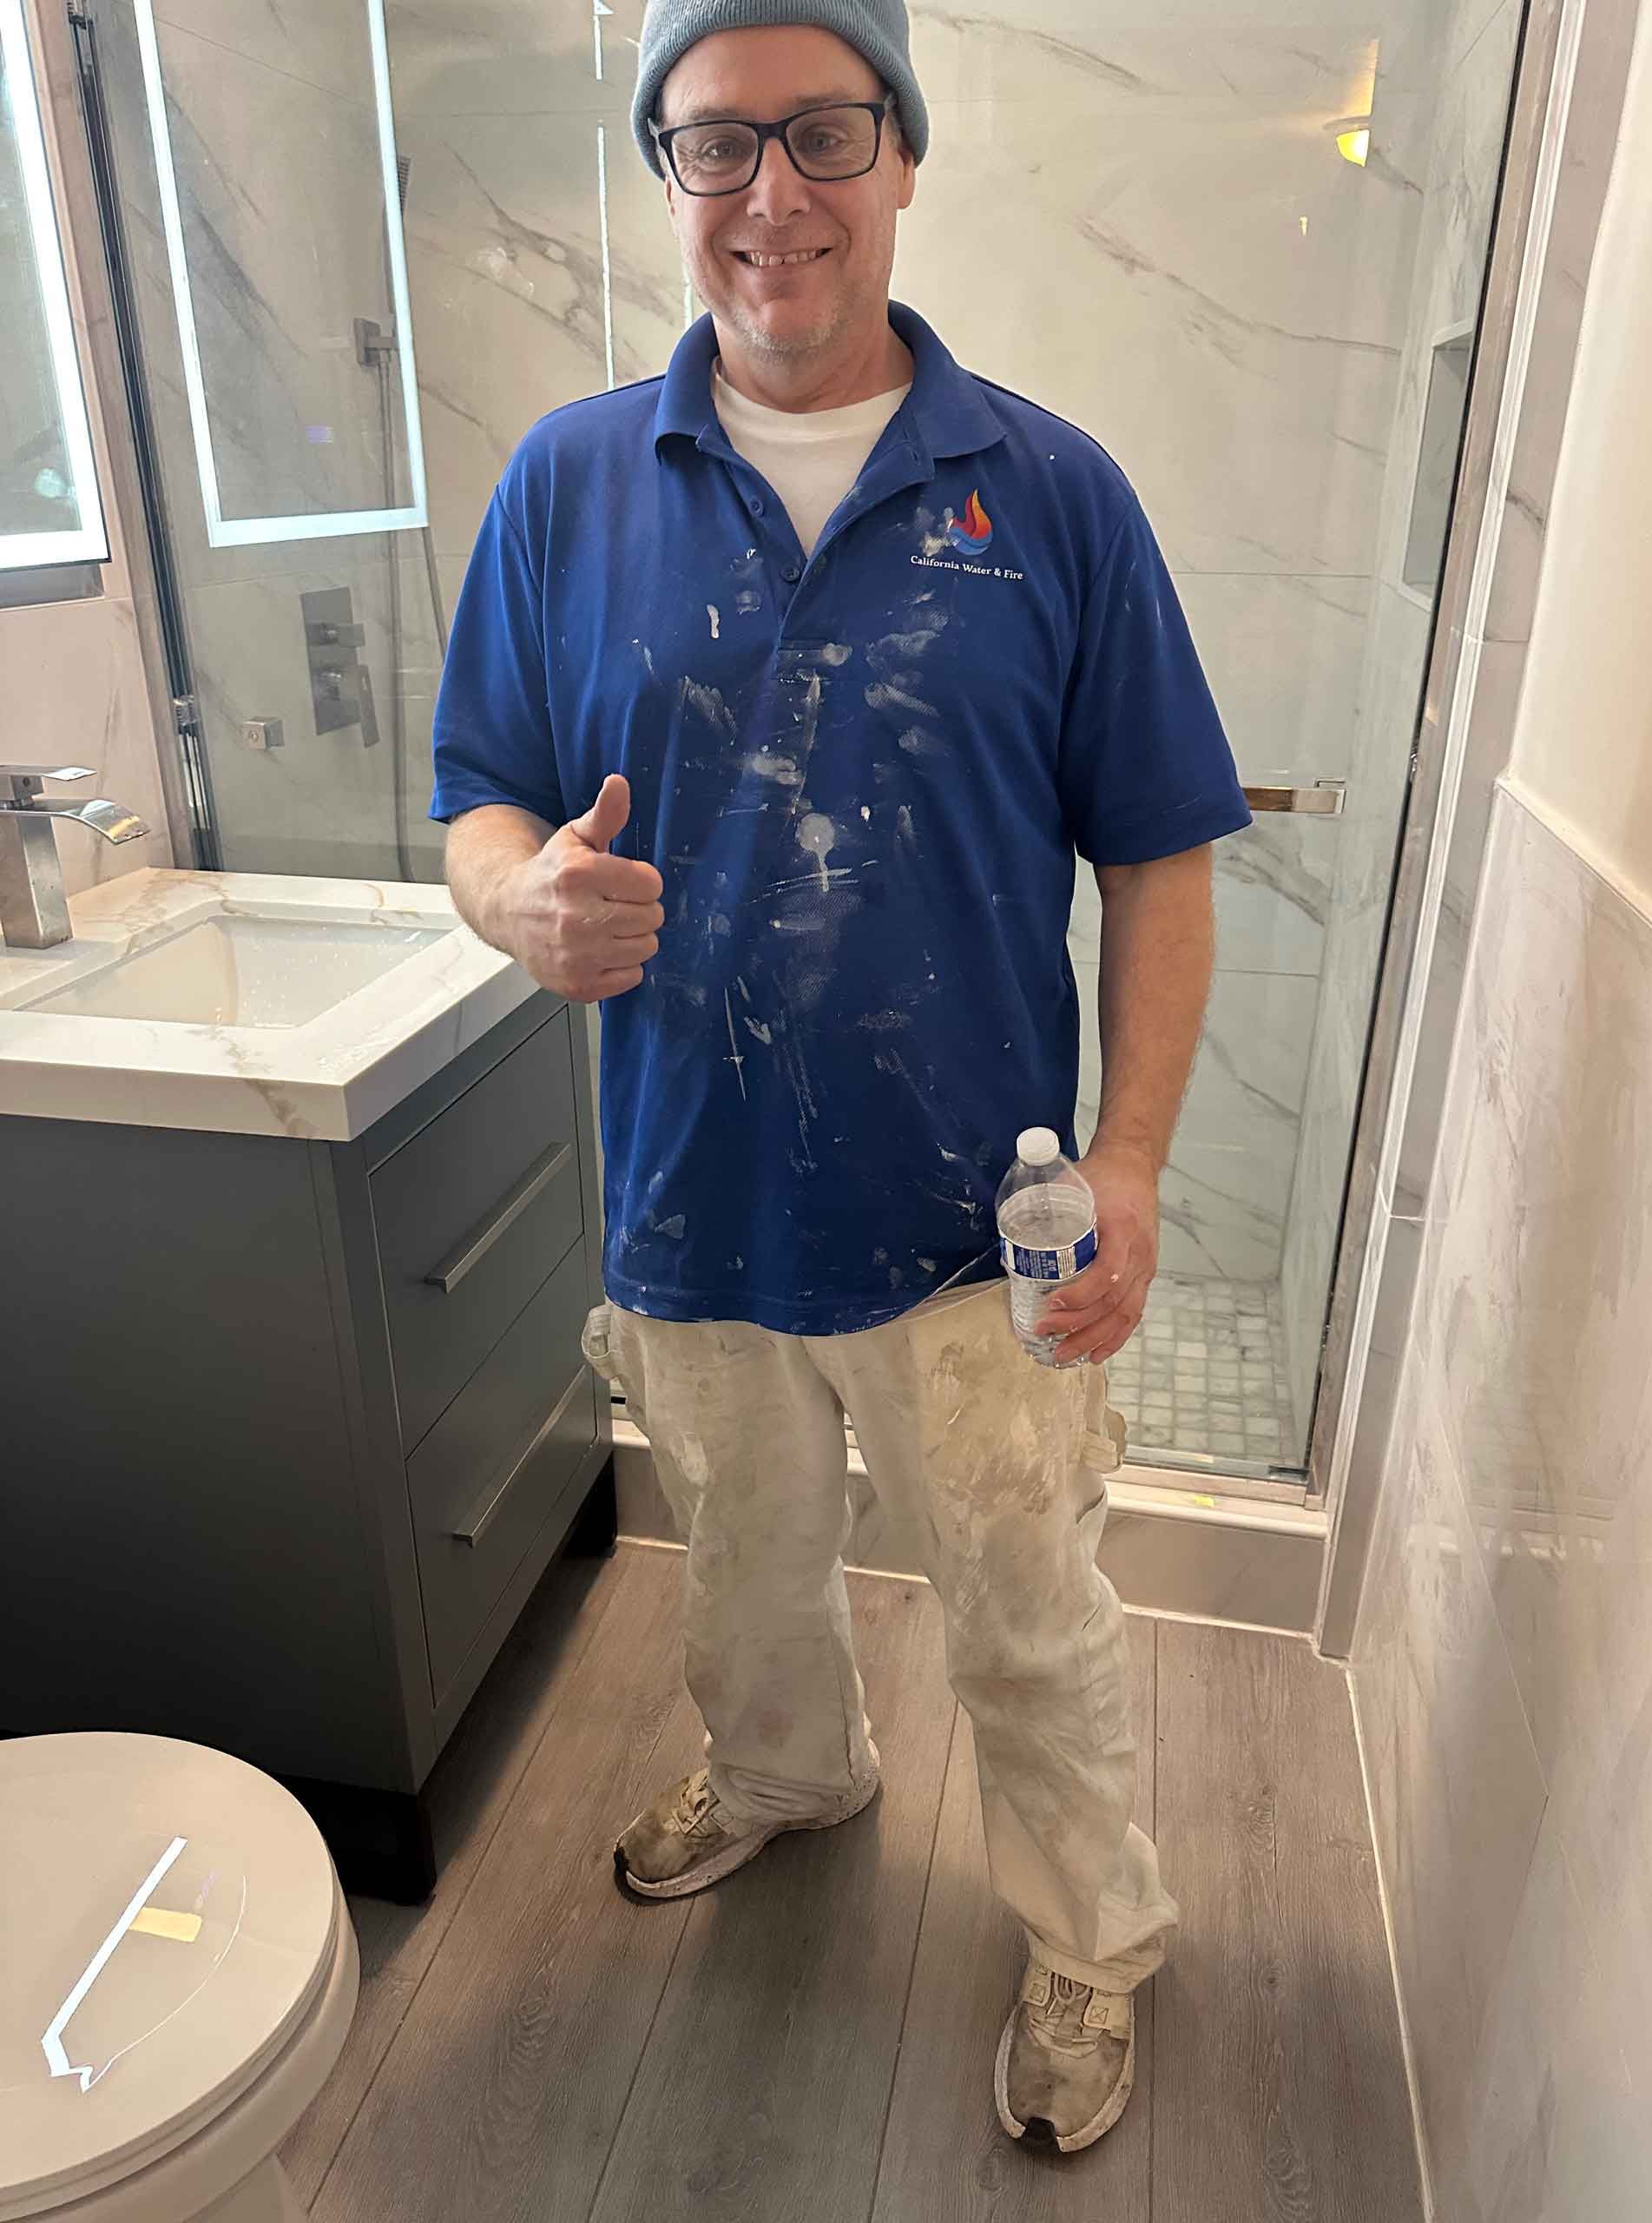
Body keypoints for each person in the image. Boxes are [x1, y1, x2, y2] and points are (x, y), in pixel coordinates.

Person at [431, 0, 1250, 2157]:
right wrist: (518, 901)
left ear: (903, 156)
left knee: (1027, 1607)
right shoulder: (569, 483)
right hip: (690, 1191)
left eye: (825, 133)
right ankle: (792, 1770)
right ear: (667, 174)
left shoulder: (1049, 493)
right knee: (740, 1560)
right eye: (716, 142)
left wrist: (1137, 1157)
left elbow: (1161, 854)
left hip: (980, 1213)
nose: (771, 193)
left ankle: (1091, 1929)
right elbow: (480, 799)